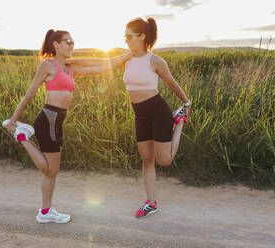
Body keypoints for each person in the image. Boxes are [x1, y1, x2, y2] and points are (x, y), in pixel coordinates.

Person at [2, 29, 131, 224]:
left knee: (52, 170)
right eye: (67, 41)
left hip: (57, 121)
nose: (71, 45)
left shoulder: (70, 69)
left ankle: (45, 212)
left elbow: (100, 67)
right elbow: (29, 93)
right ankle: (21, 136)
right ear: (56, 45)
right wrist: (13, 118)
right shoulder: (47, 65)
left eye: (73, 42)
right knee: (50, 170)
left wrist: (125, 56)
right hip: (48, 119)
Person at [69, 17, 191, 218]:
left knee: (165, 160)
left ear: (142, 36)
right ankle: (151, 203)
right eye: (124, 37)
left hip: (159, 112)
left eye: (129, 37)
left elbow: (171, 82)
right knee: (147, 160)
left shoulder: (155, 61)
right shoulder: (126, 58)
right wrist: (72, 65)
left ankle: (178, 121)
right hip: (140, 115)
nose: (126, 40)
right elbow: (99, 63)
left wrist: (186, 103)